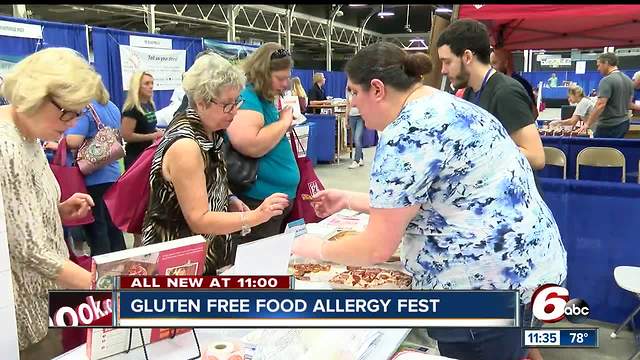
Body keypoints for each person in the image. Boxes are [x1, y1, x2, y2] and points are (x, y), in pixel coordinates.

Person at [292, 42, 567, 360]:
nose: (352, 105)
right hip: (532, 271)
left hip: (481, 294)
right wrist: (350, 199)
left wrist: (317, 249)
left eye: (354, 92)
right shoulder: (448, 106)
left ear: (378, 89)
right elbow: (436, 197)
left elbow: (376, 247)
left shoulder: (406, 135)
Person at [0, 47, 101, 359]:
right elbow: (28, 250)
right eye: (67, 112)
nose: (72, 123)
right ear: (35, 95)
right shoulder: (8, 146)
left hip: (42, 301)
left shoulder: (27, 135)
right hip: (23, 314)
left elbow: (12, 222)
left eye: (78, 113)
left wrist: (55, 211)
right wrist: (102, 286)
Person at [437, 19, 545, 172]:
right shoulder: (470, 92)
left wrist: (479, 150)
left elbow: (536, 157)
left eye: (447, 62)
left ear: (467, 57)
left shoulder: (505, 92)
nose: (443, 70)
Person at [226, 43, 300, 243]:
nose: (286, 84)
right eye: (280, 78)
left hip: (273, 201)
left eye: (287, 77)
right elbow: (250, 144)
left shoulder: (263, 97)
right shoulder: (247, 97)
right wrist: (283, 122)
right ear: (262, 73)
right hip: (257, 201)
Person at [64, 85, 126, 256]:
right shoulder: (112, 106)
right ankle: (121, 268)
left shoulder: (86, 107)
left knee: (96, 228)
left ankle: (102, 275)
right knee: (113, 227)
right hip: (112, 173)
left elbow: (73, 140)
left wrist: (59, 140)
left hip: (92, 176)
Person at [579, 53, 635, 138]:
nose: (598, 69)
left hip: (609, 126)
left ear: (606, 63)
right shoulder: (629, 81)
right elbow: (629, 104)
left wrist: (587, 124)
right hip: (624, 124)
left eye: (599, 65)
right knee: (615, 149)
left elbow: (600, 105)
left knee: (600, 150)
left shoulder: (606, 80)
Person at [121, 71, 164, 169]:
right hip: (136, 157)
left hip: (149, 154)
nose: (151, 86)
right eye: (147, 83)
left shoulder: (149, 105)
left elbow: (148, 126)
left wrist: (157, 131)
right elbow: (126, 136)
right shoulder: (132, 108)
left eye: (152, 83)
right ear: (137, 86)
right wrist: (152, 136)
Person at [491, 48, 539, 119]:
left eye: (494, 63)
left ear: (505, 63)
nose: (491, 68)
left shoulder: (519, 83)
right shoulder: (499, 83)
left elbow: (534, 113)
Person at [345, 84, 364, 169]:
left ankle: (356, 160)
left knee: (357, 138)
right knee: (356, 139)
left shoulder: (361, 92)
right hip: (352, 117)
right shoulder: (349, 93)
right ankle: (361, 158)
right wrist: (346, 119)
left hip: (360, 117)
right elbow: (348, 106)